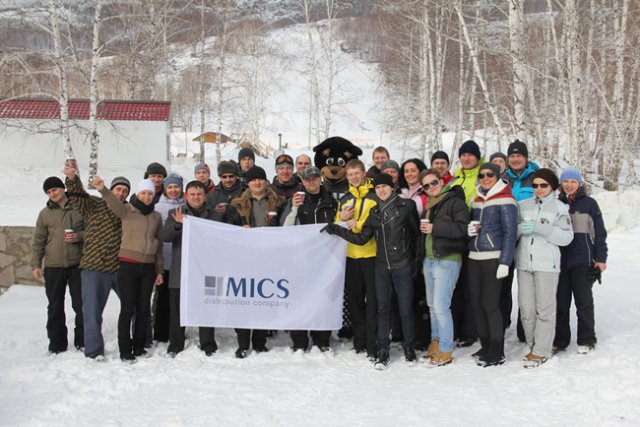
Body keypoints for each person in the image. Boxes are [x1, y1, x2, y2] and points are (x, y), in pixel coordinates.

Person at [324, 173, 419, 369]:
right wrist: (337, 229)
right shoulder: (374, 212)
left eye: (384, 186)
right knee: (382, 309)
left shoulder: (407, 206)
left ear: (392, 187)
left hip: (402, 266)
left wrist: (416, 263)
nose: (381, 190)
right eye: (378, 187)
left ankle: (409, 347)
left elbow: (416, 236)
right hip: (382, 267)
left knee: (405, 309)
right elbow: (362, 239)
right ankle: (383, 349)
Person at [95, 176, 163, 362]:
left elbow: (158, 244)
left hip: (148, 267)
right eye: (143, 193)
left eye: (150, 194)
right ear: (138, 194)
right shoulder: (127, 211)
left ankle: (139, 347)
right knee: (127, 309)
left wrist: (159, 270)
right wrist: (103, 189)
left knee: (143, 308)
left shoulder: (156, 217)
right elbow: (113, 202)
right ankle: (125, 349)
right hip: (128, 265)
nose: (147, 197)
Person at [64, 166, 129, 360]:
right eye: (118, 189)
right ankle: (93, 350)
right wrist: (72, 179)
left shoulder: (128, 211)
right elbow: (78, 197)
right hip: (94, 266)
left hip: (119, 267)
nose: (121, 193)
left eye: (125, 191)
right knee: (92, 312)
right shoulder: (95, 204)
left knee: (133, 307)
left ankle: (138, 343)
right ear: (111, 189)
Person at [515, 168, 573, 367]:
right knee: (526, 309)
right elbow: (511, 231)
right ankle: (533, 345)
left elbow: (566, 237)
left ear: (552, 186)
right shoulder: (523, 205)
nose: (538, 189)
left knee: (545, 309)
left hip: (547, 264)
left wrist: (544, 229)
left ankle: (541, 350)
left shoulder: (560, 208)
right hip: (524, 263)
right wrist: (519, 230)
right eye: (535, 185)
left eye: (543, 185)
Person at [228, 166, 286, 358]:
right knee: (243, 301)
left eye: (260, 179)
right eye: (253, 180)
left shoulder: (278, 202)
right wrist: (239, 229)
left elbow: (285, 225)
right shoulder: (237, 204)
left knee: (264, 299)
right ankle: (243, 343)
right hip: (245, 259)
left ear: (266, 181)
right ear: (248, 183)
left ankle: (260, 342)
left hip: (269, 258)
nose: (257, 182)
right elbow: (228, 226)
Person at [159, 181, 220, 357]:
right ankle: (175, 343)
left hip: (205, 269)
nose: (196, 197)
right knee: (177, 309)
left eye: (199, 194)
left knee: (206, 307)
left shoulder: (215, 215)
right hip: (181, 269)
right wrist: (178, 225)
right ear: (186, 196)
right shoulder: (175, 212)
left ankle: (207, 343)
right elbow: (164, 236)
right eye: (192, 194)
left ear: (205, 196)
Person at [467, 162, 517, 367]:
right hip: (474, 257)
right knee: (477, 304)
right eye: (482, 175)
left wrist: (505, 261)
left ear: (497, 176)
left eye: (490, 175)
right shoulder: (477, 199)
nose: (485, 178)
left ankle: (497, 350)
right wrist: (470, 232)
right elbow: (477, 227)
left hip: (493, 258)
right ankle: (486, 345)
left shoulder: (506, 199)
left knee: (490, 304)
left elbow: (510, 233)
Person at [283, 166, 337, 352]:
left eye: (314, 178)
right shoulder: (296, 200)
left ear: (320, 179)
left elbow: (338, 224)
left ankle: (322, 339)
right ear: (302, 181)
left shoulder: (331, 200)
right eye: (307, 179)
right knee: (299, 299)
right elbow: (286, 228)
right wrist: (294, 208)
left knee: (323, 299)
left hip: (325, 259)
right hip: (301, 259)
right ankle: (299, 341)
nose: (311, 181)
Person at [554, 167, 608, 355]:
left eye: (573, 181)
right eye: (566, 181)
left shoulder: (589, 204)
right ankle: (560, 340)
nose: (569, 185)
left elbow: (599, 233)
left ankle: (587, 339)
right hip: (560, 262)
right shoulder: (555, 203)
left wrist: (601, 258)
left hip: (582, 261)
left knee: (583, 302)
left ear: (579, 183)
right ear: (561, 183)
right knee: (560, 303)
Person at [418, 169, 469, 366]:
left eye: (434, 182)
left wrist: (435, 228)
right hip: (430, 260)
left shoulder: (455, 202)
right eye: (426, 185)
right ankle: (436, 343)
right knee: (432, 306)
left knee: (441, 306)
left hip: (447, 259)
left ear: (441, 181)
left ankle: (446, 350)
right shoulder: (430, 205)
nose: (431, 187)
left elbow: (463, 229)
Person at [31, 176, 84, 354]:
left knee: (81, 304)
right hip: (53, 266)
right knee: (55, 306)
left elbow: (92, 231)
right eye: (49, 192)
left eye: (54, 189)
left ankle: (82, 341)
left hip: (77, 264)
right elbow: (38, 240)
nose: (52, 194)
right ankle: (57, 344)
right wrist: (36, 264)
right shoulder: (44, 214)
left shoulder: (79, 207)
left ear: (62, 188)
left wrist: (79, 236)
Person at [449, 139, 483, 348]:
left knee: (471, 287)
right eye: (463, 155)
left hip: (474, 237)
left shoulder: (482, 177)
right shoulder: (455, 179)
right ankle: (455, 327)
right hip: (455, 237)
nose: (467, 158)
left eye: (470, 154)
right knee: (456, 285)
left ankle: (470, 331)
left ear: (477, 157)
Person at [505, 140, 540, 341]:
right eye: (512, 156)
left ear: (526, 158)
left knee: (527, 286)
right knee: (504, 284)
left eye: (519, 155)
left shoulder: (536, 178)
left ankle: (524, 328)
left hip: (529, 237)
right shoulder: (502, 179)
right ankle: (502, 323)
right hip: (507, 238)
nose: (515, 159)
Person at [153, 173, 186, 343]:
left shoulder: (187, 205)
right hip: (164, 259)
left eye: (177, 187)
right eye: (170, 187)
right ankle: (160, 332)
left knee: (178, 299)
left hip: (181, 259)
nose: (174, 190)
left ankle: (177, 329)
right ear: (165, 190)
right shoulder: (158, 207)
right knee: (163, 297)